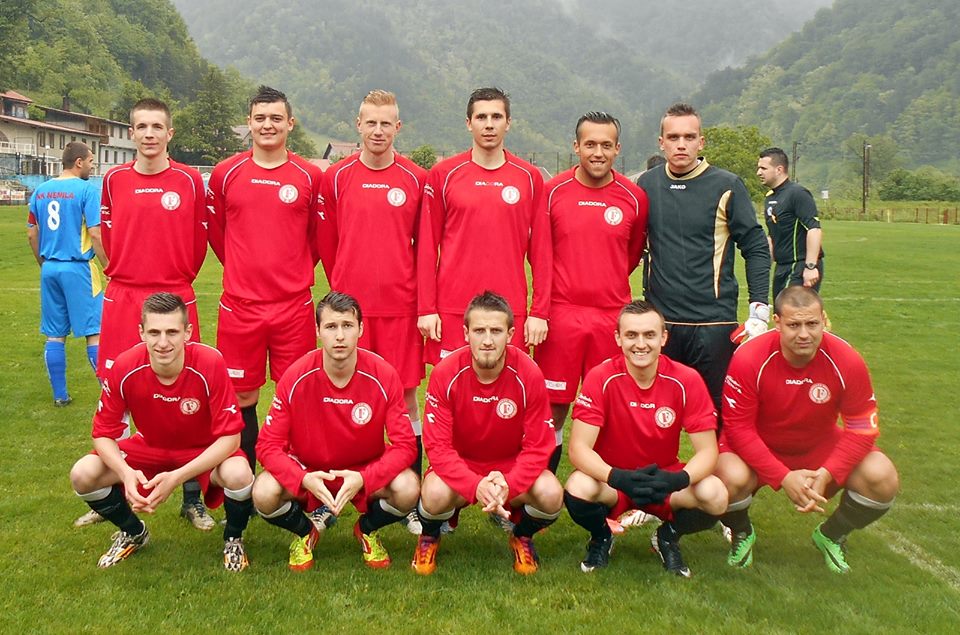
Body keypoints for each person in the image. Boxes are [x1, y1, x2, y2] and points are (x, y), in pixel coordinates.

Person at [716, 286, 898, 573]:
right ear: (777, 322)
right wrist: (783, 476)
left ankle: (831, 535)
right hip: (760, 444)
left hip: (818, 446)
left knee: (882, 476)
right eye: (794, 325)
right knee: (726, 477)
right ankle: (741, 532)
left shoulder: (846, 359)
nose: (804, 334)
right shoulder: (749, 357)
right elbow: (739, 429)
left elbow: (862, 428)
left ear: (824, 319)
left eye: (812, 324)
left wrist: (828, 472)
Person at [68, 293, 254, 571]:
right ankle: (133, 532)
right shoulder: (125, 366)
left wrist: (177, 477)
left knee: (239, 473)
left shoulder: (210, 362)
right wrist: (125, 473)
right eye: (154, 332)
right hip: (150, 447)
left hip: (202, 449)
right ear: (141, 332)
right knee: (82, 474)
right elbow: (102, 433)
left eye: (172, 332)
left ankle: (233, 539)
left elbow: (231, 438)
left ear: (187, 332)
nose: (163, 342)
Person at [95, 98, 212, 529]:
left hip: (174, 293)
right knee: (116, 386)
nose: (149, 134)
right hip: (124, 295)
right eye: (141, 126)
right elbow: (109, 235)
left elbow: (199, 240)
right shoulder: (114, 180)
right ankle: (119, 490)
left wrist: (176, 277)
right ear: (131, 133)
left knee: (189, 391)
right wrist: (129, 270)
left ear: (169, 133)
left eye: (156, 126)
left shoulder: (188, 180)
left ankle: (192, 498)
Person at [320, 90, 427, 532]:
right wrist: (343, 290)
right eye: (371, 123)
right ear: (358, 125)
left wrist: (419, 302)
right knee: (341, 396)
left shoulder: (416, 178)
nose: (378, 131)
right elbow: (327, 242)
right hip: (349, 312)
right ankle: (331, 494)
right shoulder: (337, 177)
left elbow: (424, 249)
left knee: (405, 399)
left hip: (400, 309)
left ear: (397, 127)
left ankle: (412, 499)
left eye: (387, 123)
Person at [253, 292, 418, 571]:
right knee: (264, 492)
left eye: (347, 326)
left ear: (361, 329)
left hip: (364, 468)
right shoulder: (296, 376)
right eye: (331, 327)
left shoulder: (384, 374)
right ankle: (305, 533)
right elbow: (267, 445)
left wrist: (365, 477)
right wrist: (302, 478)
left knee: (408, 488)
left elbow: (405, 445)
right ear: (318, 331)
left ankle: (366, 529)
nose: (339, 336)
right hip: (310, 469)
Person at [207, 86, 325, 475]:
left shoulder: (309, 175)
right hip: (240, 307)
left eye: (276, 118)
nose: (267, 125)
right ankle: (245, 485)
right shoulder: (226, 173)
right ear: (249, 122)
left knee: (298, 394)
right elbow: (218, 232)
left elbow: (316, 238)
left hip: (293, 306)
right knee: (242, 396)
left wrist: (292, 269)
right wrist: (242, 268)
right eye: (260, 118)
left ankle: (292, 485)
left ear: (290, 123)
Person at [564, 300, 726, 577]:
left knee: (715, 495)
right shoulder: (601, 377)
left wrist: (677, 480)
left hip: (663, 480)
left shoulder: (686, 379)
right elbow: (578, 449)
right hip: (614, 481)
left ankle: (667, 537)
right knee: (578, 486)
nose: (641, 344)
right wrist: (616, 477)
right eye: (631, 335)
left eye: (649, 335)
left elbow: (708, 452)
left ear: (664, 338)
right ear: (618, 338)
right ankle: (602, 537)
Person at [412, 291, 562, 575]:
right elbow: (438, 447)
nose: (488, 340)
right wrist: (474, 484)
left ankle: (522, 536)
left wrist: (509, 483)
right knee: (433, 493)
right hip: (462, 463)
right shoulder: (445, 373)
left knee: (551, 493)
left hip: (509, 466)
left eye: (496, 331)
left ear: (511, 334)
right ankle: (429, 536)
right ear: (466, 333)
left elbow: (539, 446)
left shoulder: (529, 373)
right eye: (479, 331)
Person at [636, 103, 770, 417]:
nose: (681, 144)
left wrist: (759, 307)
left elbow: (755, 246)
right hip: (661, 324)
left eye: (689, 137)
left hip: (713, 324)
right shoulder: (647, 184)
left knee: (716, 416)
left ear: (701, 142)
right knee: (655, 415)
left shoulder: (726, 185)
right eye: (673, 137)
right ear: (661, 142)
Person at [536, 112, 648, 474]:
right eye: (590, 144)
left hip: (611, 318)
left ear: (617, 149)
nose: (597, 152)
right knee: (553, 407)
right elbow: (540, 254)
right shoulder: (552, 192)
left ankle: (606, 492)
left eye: (605, 145)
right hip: (561, 315)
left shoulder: (634, 198)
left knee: (610, 406)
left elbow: (631, 254)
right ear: (576, 147)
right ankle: (540, 489)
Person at [417, 87, 551, 362]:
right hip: (453, 308)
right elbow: (427, 247)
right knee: (452, 383)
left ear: (508, 123)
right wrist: (426, 308)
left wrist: (539, 312)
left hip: (509, 309)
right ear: (469, 123)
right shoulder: (443, 174)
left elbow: (542, 252)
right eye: (481, 117)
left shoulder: (529, 177)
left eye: (496, 117)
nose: (489, 125)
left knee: (507, 383)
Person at [26, 141, 106, 406]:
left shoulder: (40, 190)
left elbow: (32, 233)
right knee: (94, 331)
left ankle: (60, 396)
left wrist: (43, 263)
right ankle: (109, 397)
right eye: (91, 161)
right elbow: (95, 233)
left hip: (50, 268)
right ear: (79, 162)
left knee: (55, 334)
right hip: (78, 268)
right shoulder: (87, 190)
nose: (93, 166)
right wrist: (109, 266)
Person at [757, 147, 824, 299]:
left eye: (763, 168)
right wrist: (764, 266)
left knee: (792, 309)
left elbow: (814, 229)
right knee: (781, 310)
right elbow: (772, 235)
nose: (758, 172)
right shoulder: (770, 197)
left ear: (779, 169)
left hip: (799, 265)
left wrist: (810, 266)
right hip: (782, 266)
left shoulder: (797, 194)